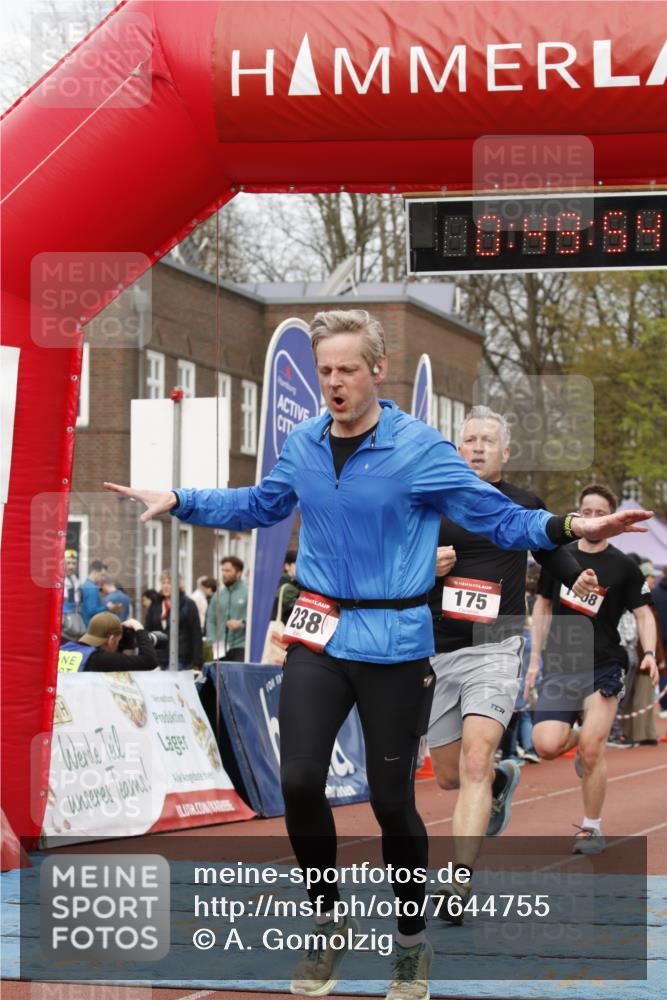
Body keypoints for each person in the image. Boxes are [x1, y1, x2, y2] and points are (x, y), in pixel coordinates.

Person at [104, 309, 651, 1000]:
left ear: (376, 372)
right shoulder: (303, 444)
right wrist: (179, 497)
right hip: (321, 635)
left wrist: (575, 525)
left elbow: (499, 517)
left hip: (395, 644)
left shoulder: (418, 449)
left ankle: (410, 943)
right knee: (300, 779)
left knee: (393, 803)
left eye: (346, 371)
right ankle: (327, 923)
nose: (333, 383)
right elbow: (259, 503)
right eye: (324, 371)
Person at [426, 407, 594, 920]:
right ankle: (501, 782)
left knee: (475, 760)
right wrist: (422, 565)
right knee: (450, 777)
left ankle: (457, 884)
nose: (476, 447)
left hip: (497, 643)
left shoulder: (521, 503)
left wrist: (577, 577)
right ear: (457, 448)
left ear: (506, 452)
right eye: (469, 438)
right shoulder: (433, 501)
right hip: (437, 646)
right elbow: (393, 561)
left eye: (487, 440)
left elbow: (551, 550)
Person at [526, 484, 659, 854]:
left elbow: (644, 614)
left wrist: (649, 651)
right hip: (561, 665)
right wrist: (534, 659)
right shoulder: (558, 557)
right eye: (589, 511)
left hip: (604, 664)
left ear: (613, 519)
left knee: (591, 748)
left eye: (603, 512)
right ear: (579, 514)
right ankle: (584, 740)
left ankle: (591, 828)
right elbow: (543, 607)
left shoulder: (624, 566)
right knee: (546, 745)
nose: (595, 518)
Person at [58, 612, 158, 672]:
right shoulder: (99, 659)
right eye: (118, 641)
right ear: (111, 640)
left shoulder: (64, 649)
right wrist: (138, 628)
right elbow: (149, 661)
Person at [146, 570, 203, 671]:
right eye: (163, 583)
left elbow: (196, 633)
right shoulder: (155, 603)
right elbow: (148, 630)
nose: (166, 586)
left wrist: (197, 661)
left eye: (169, 583)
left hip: (180, 657)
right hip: (158, 657)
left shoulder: (188, 604)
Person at [206, 556, 248, 661]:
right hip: (220, 647)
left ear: (238, 573)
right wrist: (212, 641)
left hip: (241, 646)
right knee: (220, 678)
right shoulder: (217, 595)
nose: (224, 574)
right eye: (223, 570)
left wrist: (241, 623)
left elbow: (256, 620)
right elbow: (210, 620)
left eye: (228, 570)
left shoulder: (249, 593)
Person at [272, 548, 300, 624]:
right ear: (287, 566)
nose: (301, 567)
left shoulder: (295, 583)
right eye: (298, 563)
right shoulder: (286, 586)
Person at [80, 559, 108, 626]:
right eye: (102, 575)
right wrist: (107, 607)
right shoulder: (92, 588)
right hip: (90, 627)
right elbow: (92, 611)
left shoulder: (85, 585)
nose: (103, 578)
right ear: (94, 572)